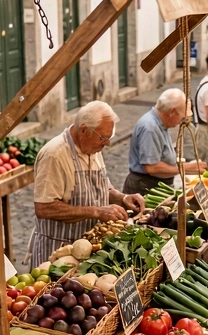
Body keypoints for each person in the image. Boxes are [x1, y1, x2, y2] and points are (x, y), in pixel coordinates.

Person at [29, 102, 144, 268]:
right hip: (58, 253)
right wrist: (97, 211)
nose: (107, 144)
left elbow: (102, 188)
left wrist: (123, 198)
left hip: (88, 251)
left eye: (109, 138)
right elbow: (44, 208)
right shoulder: (54, 155)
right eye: (102, 138)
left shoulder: (92, 147)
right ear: (84, 130)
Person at [124, 88, 206, 196]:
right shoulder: (150, 128)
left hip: (155, 184)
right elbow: (151, 167)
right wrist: (187, 167)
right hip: (146, 186)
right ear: (172, 112)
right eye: (181, 117)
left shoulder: (160, 124)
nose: (180, 122)